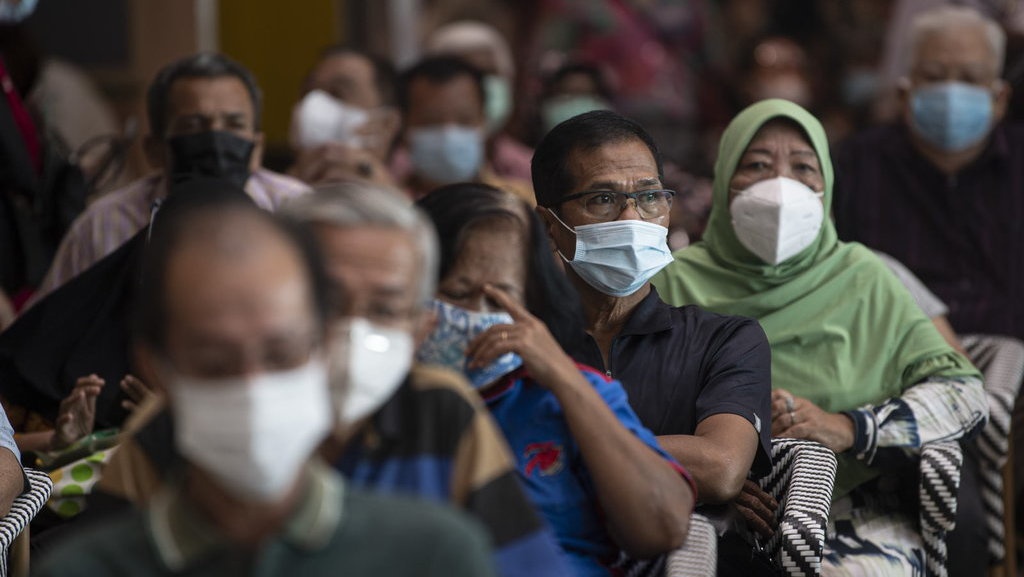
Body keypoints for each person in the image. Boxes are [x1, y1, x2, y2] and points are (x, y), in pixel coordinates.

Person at [35, 179, 496, 577]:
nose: (253, 386)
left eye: (279, 355)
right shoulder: (92, 563)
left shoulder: (435, 551)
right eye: (215, 361)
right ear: (159, 367)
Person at [653, 98, 988, 575]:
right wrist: (712, 471)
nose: (781, 185)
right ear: (725, 181)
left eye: (803, 167)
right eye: (757, 165)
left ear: (826, 186)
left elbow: (964, 392)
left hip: (854, 515)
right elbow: (626, 398)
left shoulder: (863, 278)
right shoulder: (672, 283)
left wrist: (851, 428)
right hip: (706, 511)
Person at [281, 184, 572, 577]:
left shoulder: (439, 409)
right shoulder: (214, 415)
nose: (352, 330)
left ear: (421, 328)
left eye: (385, 309)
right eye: (325, 301)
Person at [531, 109, 773, 568]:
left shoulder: (725, 340)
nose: (632, 217)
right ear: (549, 225)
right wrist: (673, 467)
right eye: (602, 198)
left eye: (649, 196)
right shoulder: (530, 342)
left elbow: (720, 470)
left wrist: (553, 450)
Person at [416, 183, 695, 576]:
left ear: (532, 303)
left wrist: (565, 381)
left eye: (500, 300)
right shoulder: (382, 397)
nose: (477, 316)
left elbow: (662, 529)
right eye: (457, 294)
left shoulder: (574, 390)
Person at [31, 52, 309, 303]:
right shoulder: (100, 227)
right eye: (193, 125)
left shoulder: (300, 212)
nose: (215, 138)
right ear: (154, 150)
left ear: (257, 148)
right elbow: (46, 332)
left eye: (233, 125)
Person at [833, 6, 1023, 342]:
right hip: (894, 369)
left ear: (1000, 98)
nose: (951, 92)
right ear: (904, 94)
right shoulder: (854, 166)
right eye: (934, 76)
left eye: (969, 78)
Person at [391, 56, 533, 202]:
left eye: (465, 120)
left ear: (484, 120)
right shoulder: (386, 207)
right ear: (403, 125)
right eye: (431, 121)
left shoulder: (523, 203)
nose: (449, 134)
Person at [424, 20, 534, 182]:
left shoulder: (529, 169)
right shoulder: (398, 173)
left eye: (489, 72)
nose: (481, 85)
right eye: (468, 73)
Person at [287, 46, 400, 187]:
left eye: (337, 93)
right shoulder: (271, 199)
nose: (313, 104)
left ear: (387, 124)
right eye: (307, 92)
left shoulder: (422, 205)